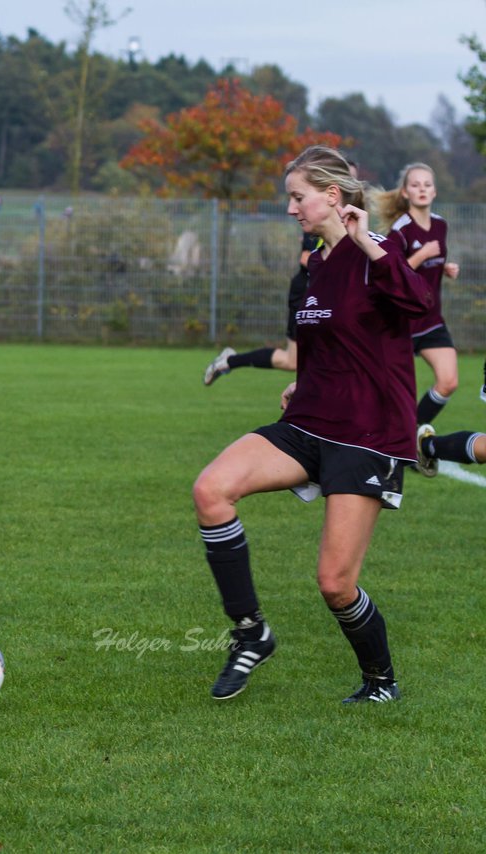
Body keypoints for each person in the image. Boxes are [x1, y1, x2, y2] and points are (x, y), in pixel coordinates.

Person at [192, 146, 432, 704]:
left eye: (297, 197)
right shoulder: (316, 267)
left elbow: (417, 302)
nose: (291, 209)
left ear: (331, 195)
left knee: (335, 583)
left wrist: (368, 241)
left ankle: (381, 683)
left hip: (367, 434)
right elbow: (331, 341)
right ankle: (252, 633)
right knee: (211, 490)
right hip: (310, 420)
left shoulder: (382, 248)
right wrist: (305, 380)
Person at [204, 159, 359, 386]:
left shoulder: (355, 226)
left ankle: (231, 361)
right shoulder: (318, 221)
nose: (350, 184)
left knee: (298, 361)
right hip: (307, 288)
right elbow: (307, 259)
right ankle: (231, 361)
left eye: (352, 179)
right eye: (346, 178)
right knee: (293, 360)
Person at [377, 163, 461, 428]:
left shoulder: (441, 225)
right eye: (416, 185)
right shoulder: (400, 230)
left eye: (427, 184)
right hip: (400, 323)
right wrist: (422, 256)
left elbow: (431, 264)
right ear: (405, 192)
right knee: (389, 394)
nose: (422, 189)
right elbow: (390, 274)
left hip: (431, 320)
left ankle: (411, 437)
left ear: (435, 191)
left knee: (448, 382)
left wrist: (444, 267)